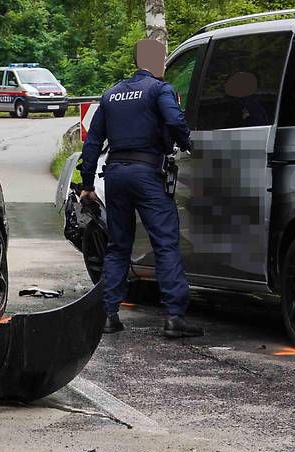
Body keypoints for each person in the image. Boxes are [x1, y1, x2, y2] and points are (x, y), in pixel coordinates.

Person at [77, 38, 203, 339]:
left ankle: (108, 315)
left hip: (115, 175)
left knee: (118, 245)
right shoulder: (159, 89)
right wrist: (186, 143)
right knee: (165, 242)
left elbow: (92, 142)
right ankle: (174, 317)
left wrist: (87, 184)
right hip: (147, 173)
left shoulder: (111, 95)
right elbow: (174, 119)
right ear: (158, 62)